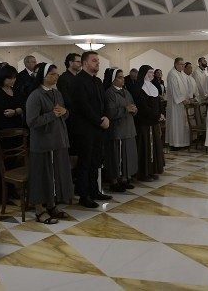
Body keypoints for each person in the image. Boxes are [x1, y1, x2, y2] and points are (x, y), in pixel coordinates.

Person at [26, 63, 74, 224]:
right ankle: (39, 209)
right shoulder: (35, 96)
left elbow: (64, 113)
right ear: (43, 76)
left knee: (54, 175)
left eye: (56, 74)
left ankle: (52, 205)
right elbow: (32, 121)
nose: (56, 77)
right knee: (41, 175)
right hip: (42, 143)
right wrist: (52, 115)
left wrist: (65, 112)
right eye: (52, 74)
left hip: (58, 139)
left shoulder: (57, 93)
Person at [68, 51, 111, 207]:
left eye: (98, 60)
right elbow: (83, 106)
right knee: (85, 163)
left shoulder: (97, 81)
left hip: (98, 128)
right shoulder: (78, 81)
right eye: (94, 60)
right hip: (85, 129)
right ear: (85, 63)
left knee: (96, 161)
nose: (97, 63)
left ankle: (94, 191)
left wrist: (107, 116)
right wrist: (99, 121)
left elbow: (104, 101)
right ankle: (83, 195)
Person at [104, 68, 139, 192]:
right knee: (116, 157)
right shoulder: (109, 93)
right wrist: (126, 109)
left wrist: (134, 109)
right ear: (113, 79)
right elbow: (110, 112)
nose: (123, 79)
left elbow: (133, 106)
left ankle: (124, 179)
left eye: (123, 77)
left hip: (128, 128)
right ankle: (114, 181)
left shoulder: (126, 92)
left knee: (127, 156)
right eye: (120, 77)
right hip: (117, 130)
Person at [133, 65, 165, 181]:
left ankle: (152, 170)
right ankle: (143, 173)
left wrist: (161, 113)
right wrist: (156, 115)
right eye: (150, 72)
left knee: (154, 147)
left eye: (152, 72)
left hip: (154, 122)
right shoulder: (139, 88)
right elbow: (143, 106)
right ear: (144, 74)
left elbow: (158, 103)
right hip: (144, 123)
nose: (152, 74)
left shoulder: (153, 86)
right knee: (145, 147)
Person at [0, 64, 25, 139]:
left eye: (14, 78)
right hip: (1, 128)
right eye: (10, 78)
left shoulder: (16, 91)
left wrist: (15, 111)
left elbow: (23, 106)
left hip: (17, 127)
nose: (13, 80)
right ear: (3, 77)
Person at [166, 57, 191, 151]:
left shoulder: (182, 74)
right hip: (175, 104)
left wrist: (188, 97)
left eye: (183, 64)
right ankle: (175, 144)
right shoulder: (172, 74)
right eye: (181, 64)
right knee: (176, 123)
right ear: (176, 64)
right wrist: (182, 100)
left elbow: (187, 87)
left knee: (183, 124)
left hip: (183, 103)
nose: (183, 66)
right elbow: (174, 89)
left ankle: (183, 143)